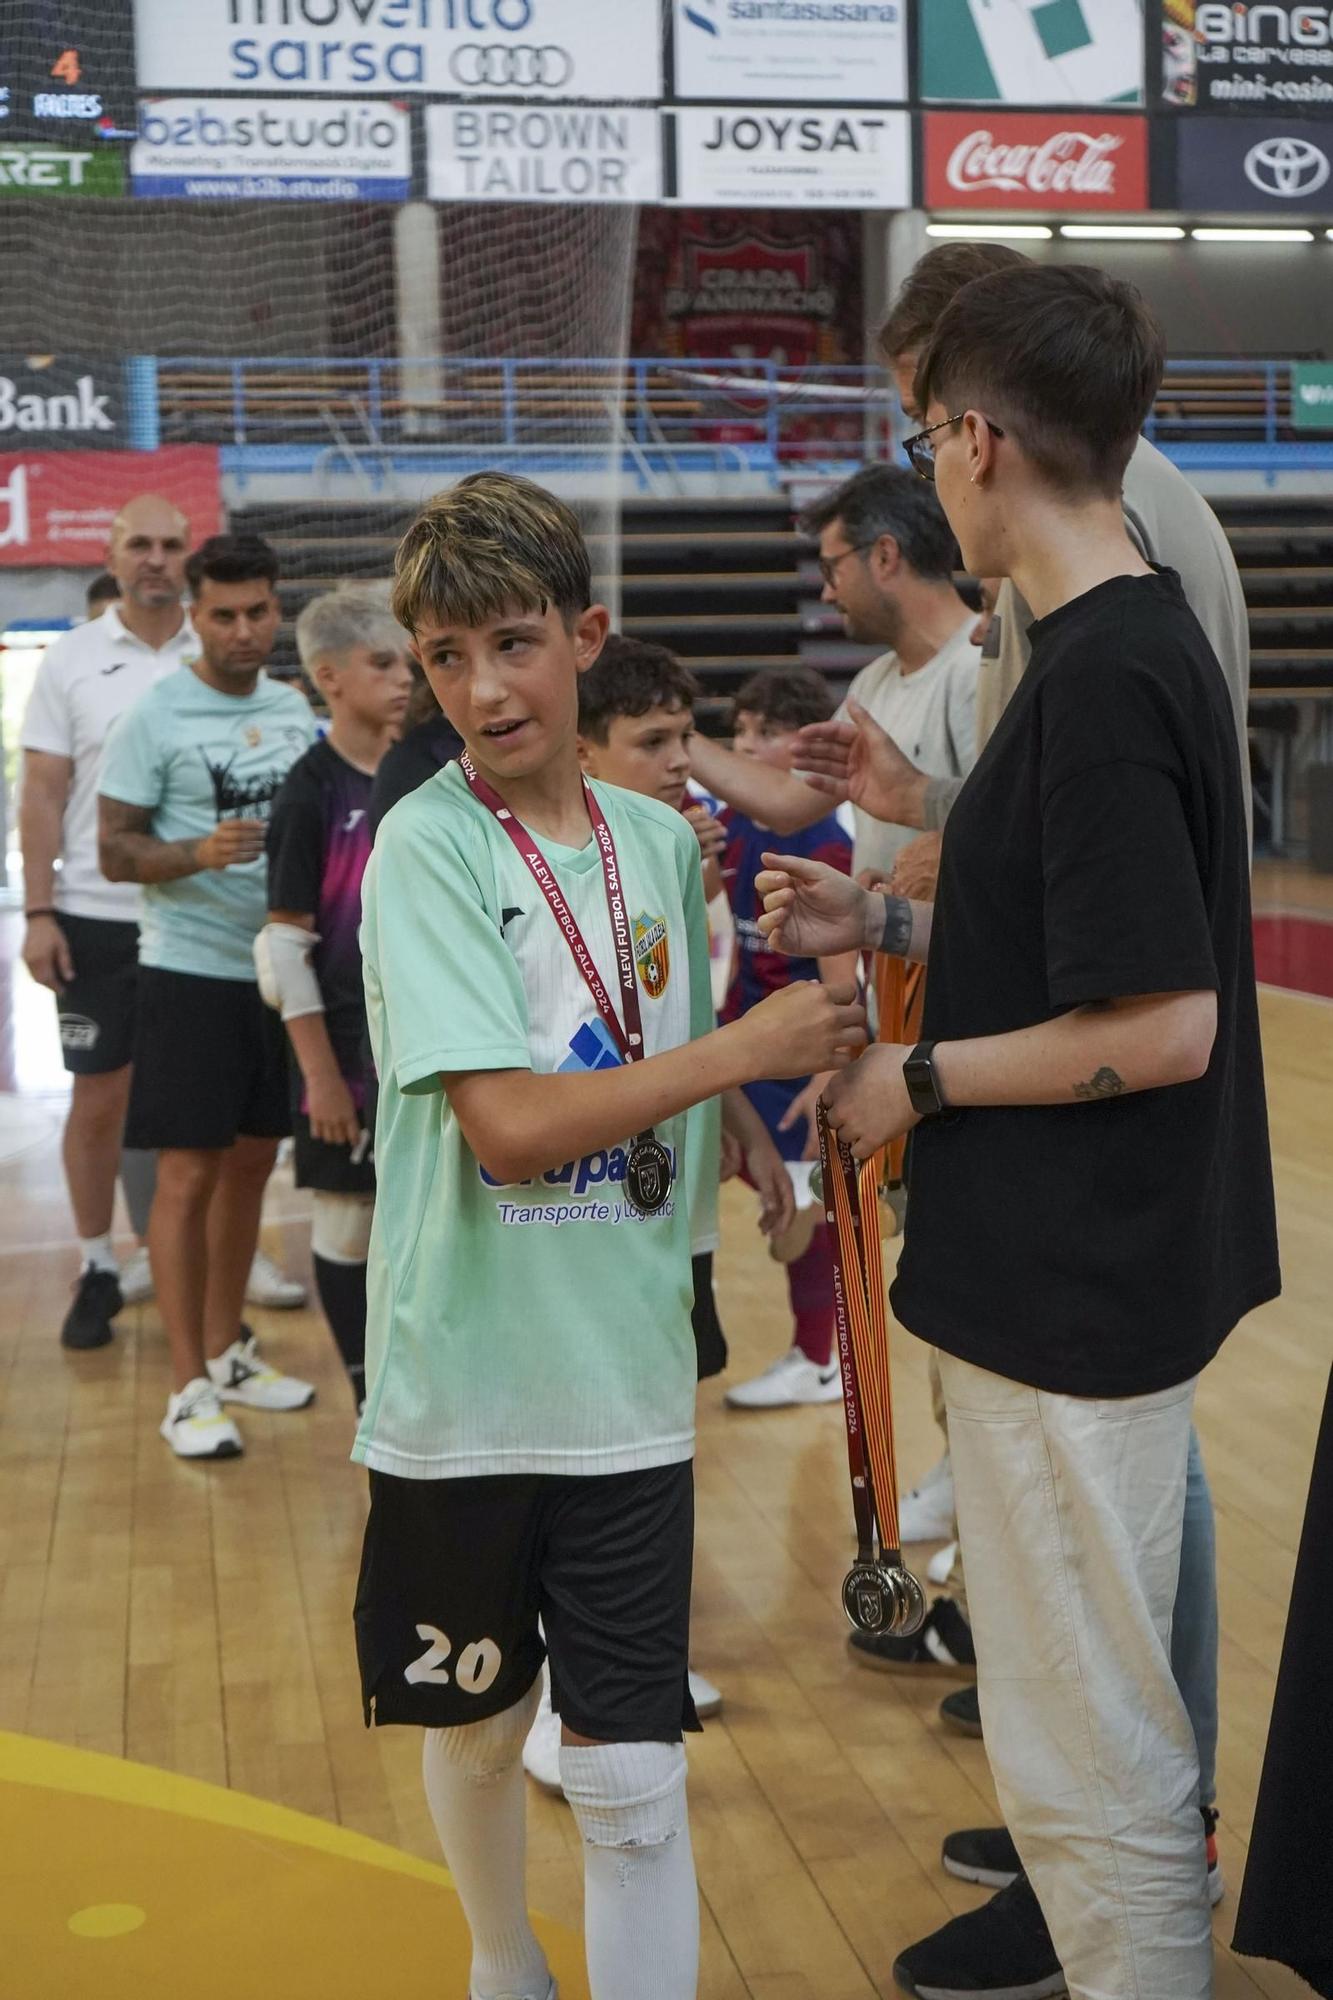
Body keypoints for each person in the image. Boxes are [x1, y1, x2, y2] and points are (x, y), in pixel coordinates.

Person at [758, 264, 1278, 2000]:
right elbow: (1074, 937)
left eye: (922, 434)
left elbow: (1157, 1022)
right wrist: (889, 930)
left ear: (971, 442)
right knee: (1075, 1743)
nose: (926, 464)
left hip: (1073, 1285)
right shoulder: (1086, 646)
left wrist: (916, 1080)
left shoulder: (1107, 667)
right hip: (1057, 1276)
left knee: (1092, 1760)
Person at [351, 472, 864, 2000]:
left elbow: (664, 1046)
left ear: (586, 636)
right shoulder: (425, 848)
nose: (481, 687)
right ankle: (502, 1961)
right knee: (482, 1725)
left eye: (511, 643)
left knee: (637, 1777)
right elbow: (508, 1125)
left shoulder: (653, 840)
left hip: (629, 1380)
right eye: (444, 657)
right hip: (465, 1383)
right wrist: (744, 1057)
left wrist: (749, 1163)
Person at [98, 533, 319, 1459]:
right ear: (191, 614)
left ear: (276, 610)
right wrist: (193, 852)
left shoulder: (295, 707)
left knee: (249, 1166)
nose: (242, 629)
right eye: (223, 614)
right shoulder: (155, 715)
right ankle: (186, 1384)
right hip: (188, 970)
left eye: (258, 611)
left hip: (280, 973)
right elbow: (113, 849)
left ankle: (227, 1350)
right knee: (186, 1175)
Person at [19, 494, 198, 1350]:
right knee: (100, 1098)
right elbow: (43, 791)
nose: (156, 558)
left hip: (202, 916)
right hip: (94, 915)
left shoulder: (221, 654)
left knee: (207, 1100)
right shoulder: (70, 660)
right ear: (112, 552)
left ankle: (202, 1262)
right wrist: (40, 910)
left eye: (171, 544)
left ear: (188, 555)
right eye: (140, 544)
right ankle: (98, 1264)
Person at [259, 593, 413, 1412]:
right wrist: (319, 1076)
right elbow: (284, 946)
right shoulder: (308, 792)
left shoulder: (418, 773)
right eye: (382, 663)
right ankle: (366, 1393)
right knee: (348, 1223)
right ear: (329, 678)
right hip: (343, 1051)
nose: (403, 678)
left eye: (405, 662)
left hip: (415, 1040)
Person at [688, 463, 979, 890]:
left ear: (884, 556)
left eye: (831, 569)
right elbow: (787, 803)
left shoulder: (975, 670)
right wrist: (671, 729)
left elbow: (1009, 828)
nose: (827, 592)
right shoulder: (872, 683)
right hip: (894, 952)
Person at [712, 667, 856, 1411]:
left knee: (804, 1213)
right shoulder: (735, 826)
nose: (746, 745)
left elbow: (841, 972)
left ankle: (819, 1358)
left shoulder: (821, 843)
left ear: (805, 752)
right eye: (739, 731)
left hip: (797, 1058)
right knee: (764, 1192)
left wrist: (832, 1064)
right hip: (745, 1041)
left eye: (764, 734)